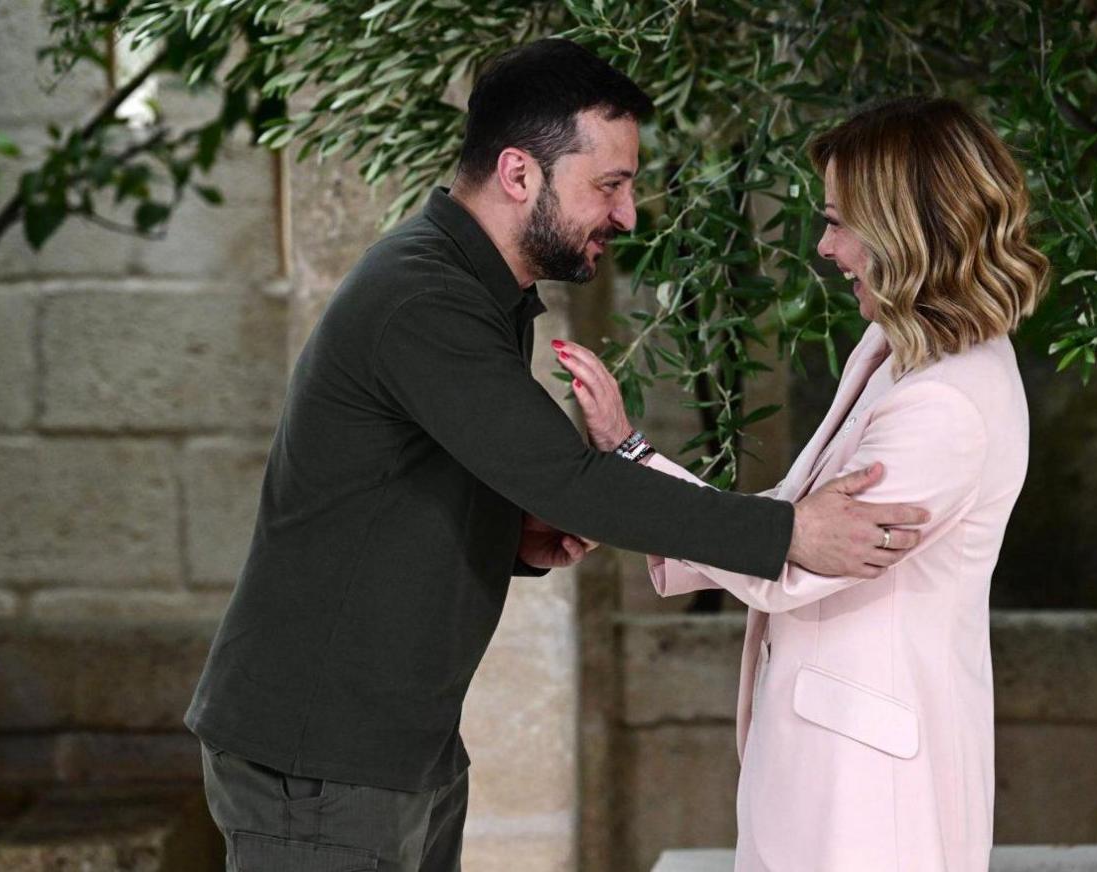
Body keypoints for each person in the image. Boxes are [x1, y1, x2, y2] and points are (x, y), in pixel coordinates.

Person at [185, 39, 930, 872]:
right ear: (518, 174)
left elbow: (406, 484)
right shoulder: (424, 298)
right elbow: (573, 480)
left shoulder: (473, 291)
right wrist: (788, 532)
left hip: (397, 746)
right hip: (318, 755)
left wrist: (509, 533)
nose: (629, 214)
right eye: (610, 185)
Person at [556, 97, 1050, 871]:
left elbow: (796, 558)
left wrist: (631, 461)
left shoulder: (947, 405)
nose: (825, 247)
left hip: (870, 793)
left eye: (839, 222)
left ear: (905, 229)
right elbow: (796, 513)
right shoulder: (892, 349)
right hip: (825, 769)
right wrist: (636, 486)